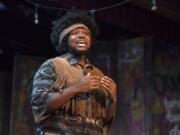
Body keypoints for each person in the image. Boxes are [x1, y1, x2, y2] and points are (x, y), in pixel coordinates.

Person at [31, 10, 117, 135]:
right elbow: (40, 104)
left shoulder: (98, 74)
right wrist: (77, 87)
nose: (81, 36)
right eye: (75, 33)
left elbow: (104, 121)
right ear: (65, 40)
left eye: (86, 33)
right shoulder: (53, 65)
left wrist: (113, 100)